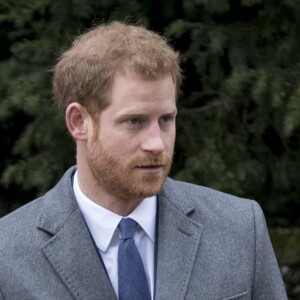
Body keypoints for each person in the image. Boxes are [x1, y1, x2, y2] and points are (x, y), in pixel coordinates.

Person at [0, 21, 287, 300]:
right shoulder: (8, 253)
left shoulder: (238, 229)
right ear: (79, 122)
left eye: (166, 119)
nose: (157, 143)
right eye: (134, 121)